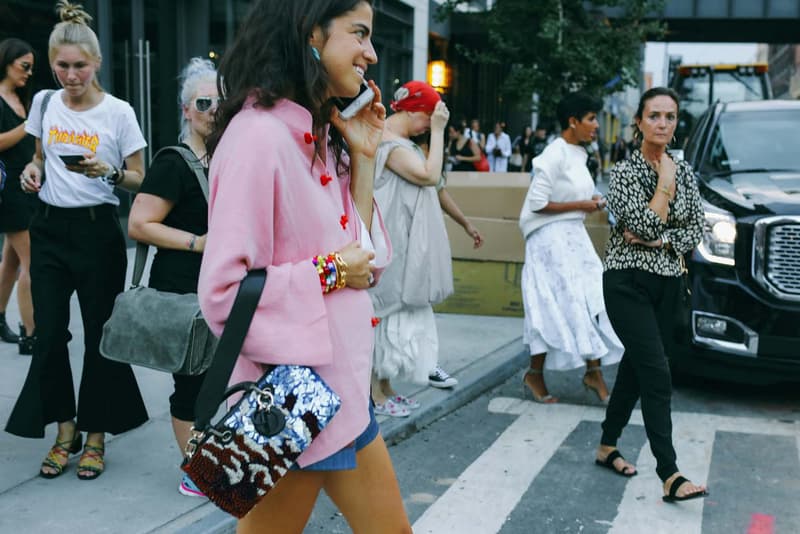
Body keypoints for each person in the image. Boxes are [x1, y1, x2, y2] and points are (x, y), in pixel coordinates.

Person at [196, 1, 411, 531]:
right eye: (359, 34)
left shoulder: (316, 136)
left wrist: (362, 158)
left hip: (340, 389)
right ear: (311, 34)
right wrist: (331, 271)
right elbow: (222, 291)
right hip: (291, 398)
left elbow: (363, 259)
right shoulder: (258, 138)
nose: (372, 52)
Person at [6, 0, 148, 481]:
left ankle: (95, 436)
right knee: (49, 336)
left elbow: (140, 179)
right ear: (52, 65)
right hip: (48, 229)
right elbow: (40, 159)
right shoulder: (44, 103)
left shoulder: (120, 113)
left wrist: (109, 172)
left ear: (97, 63)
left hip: (96, 232)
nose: (70, 75)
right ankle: (64, 431)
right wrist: (32, 169)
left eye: (79, 66)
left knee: (98, 337)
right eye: (61, 66)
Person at [595, 87, 707, 503]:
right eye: (655, 115)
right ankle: (670, 472)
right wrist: (663, 183)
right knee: (657, 372)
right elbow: (639, 226)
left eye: (670, 117)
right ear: (639, 122)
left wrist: (659, 242)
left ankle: (607, 446)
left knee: (635, 369)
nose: (663, 124)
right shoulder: (624, 174)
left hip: (668, 283)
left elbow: (696, 230)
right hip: (626, 282)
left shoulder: (688, 173)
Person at [127, 57, 217, 498]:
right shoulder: (173, 162)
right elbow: (140, 224)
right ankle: (196, 470)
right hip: (184, 289)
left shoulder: (228, 157)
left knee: (220, 379)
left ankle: (217, 461)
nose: (213, 110)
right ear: (186, 109)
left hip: (223, 287)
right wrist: (199, 242)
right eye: (204, 103)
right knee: (192, 383)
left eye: (222, 103)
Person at [518, 91, 623, 405]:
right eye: (590, 119)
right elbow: (537, 204)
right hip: (548, 238)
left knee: (592, 297)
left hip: (573, 236)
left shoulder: (579, 153)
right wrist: (583, 204)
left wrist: (591, 204)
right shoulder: (554, 153)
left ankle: (592, 370)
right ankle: (537, 374)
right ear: (572, 121)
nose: (596, 126)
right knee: (553, 304)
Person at [0, 38, 36, 353]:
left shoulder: (20, 97)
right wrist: (29, 126)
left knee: (11, 262)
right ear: (6, 62)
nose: (28, 73)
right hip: (10, 190)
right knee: (31, 263)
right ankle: (31, 334)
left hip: (27, 186)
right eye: (23, 66)